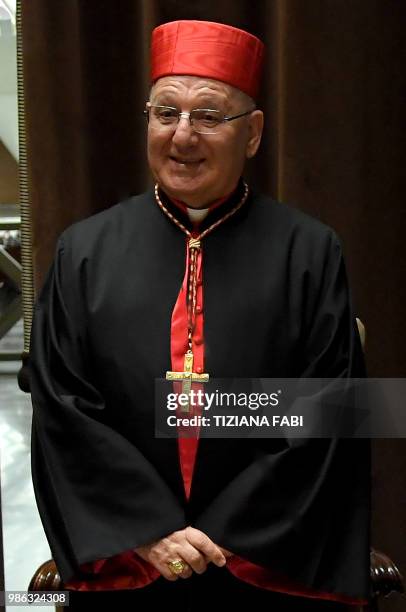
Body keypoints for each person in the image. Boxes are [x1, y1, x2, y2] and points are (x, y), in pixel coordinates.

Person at [30, 20, 370, 610]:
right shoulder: (82, 253)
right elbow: (61, 402)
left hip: (267, 564)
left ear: (255, 133)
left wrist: (224, 536)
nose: (182, 135)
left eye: (209, 116)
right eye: (166, 113)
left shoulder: (310, 253)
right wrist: (150, 529)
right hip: (130, 557)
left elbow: (332, 405)